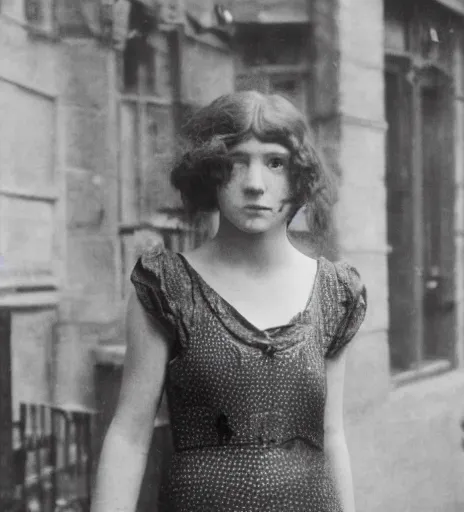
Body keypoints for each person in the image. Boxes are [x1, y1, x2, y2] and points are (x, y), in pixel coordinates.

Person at [92, 91, 367, 512]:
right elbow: (129, 436)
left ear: (298, 176)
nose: (255, 184)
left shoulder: (335, 292)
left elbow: (332, 436)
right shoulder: (167, 288)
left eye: (275, 162)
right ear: (210, 172)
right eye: (237, 162)